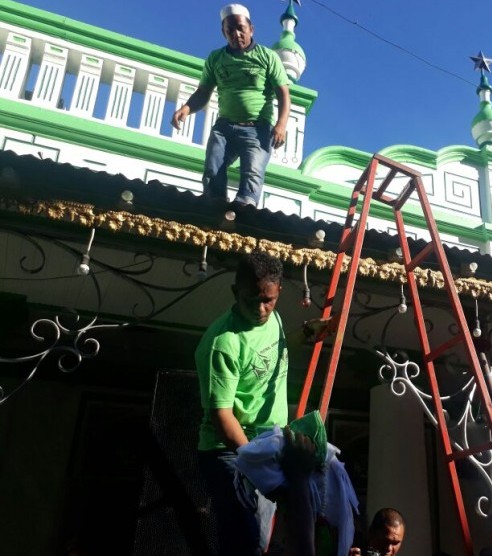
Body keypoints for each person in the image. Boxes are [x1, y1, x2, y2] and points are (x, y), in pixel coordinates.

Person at [195, 251, 293, 555]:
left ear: (278, 293)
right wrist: (260, 464)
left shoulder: (274, 319)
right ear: (236, 292)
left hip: (268, 446)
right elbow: (223, 419)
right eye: (251, 300)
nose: (261, 309)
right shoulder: (223, 343)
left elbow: (266, 361)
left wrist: (307, 335)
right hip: (231, 453)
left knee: (261, 542)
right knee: (245, 543)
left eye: (268, 300)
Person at [171, 3, 291, 207]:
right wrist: (186, 108)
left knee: (252, 172)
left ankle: (244, 210)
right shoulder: (215, 59)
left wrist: (281, 124)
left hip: (257, 128)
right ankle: (215, 206)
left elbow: (283, 93)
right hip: (224, 127)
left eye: (241, 29)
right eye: (230, 30)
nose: (236, 34)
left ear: (251, 29)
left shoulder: (267, 57)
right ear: (223, 33)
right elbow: (203, 93)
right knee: (213, 168)